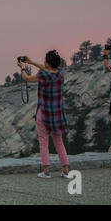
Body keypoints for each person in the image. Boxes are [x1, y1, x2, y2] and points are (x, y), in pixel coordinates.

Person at [18, 51, 70, 179]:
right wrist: (32, 62)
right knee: (59, 141)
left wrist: (23, 68)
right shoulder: (60, 74)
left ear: (47, 62)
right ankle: (66, 170)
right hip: (57, 113)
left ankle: (46, 171)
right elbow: (48, 69)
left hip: (44, 113)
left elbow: (27, 78)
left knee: (43, 141)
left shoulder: (43, 75)